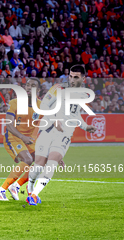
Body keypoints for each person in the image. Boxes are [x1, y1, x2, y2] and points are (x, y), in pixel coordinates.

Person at [27, 65, 97, 206]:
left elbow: (75, 115)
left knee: (52, 162)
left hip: (65, 133)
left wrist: (85, 126)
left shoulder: (83, 95)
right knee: (39, 164)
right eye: (70, 76)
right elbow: (45, 105)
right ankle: (30, 190)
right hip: (48, 129)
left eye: (76, 77)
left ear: (83, 78)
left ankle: (34, 195)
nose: (72, 79)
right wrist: (54, 119)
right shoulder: (58, 88)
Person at [0, 78, 41, 201]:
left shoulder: (41, 106)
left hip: (28, 139)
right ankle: (1, 190)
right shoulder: (15, 102)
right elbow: (8, 125)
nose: (29, 88)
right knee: (28, 159)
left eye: (33, 86)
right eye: (28, 85)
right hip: (13, 137)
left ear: (38, 90)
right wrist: (22, 137)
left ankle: (16, 186)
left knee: (42, 161)